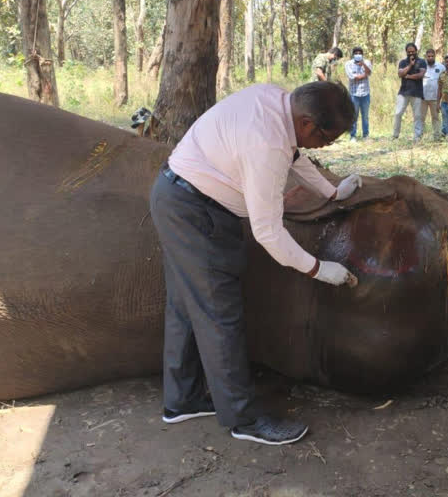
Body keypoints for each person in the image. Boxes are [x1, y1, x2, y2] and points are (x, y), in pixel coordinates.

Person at [150, 81, 363, 446]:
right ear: (309, 123)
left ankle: (182, 400)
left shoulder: (275, 101)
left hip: (178, 196)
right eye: (328, 138)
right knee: (220, 316)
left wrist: (331, 191)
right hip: (196, 212)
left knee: (187, 306)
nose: (328, 145)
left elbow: (297, 156)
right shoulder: (267, 145)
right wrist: (319, 268)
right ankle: (243, 419)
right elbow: (268, 232)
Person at [392, 43, 426, 141]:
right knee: (398, 114)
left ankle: (417, 137)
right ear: (406, 52)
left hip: (417, 92)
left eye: (413, 51)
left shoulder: (422, 61)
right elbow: (400, 74)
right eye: (409, 52)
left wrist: (408, 76)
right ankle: (395, 135)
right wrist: (410, 65)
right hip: (403, 92)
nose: (411, 53)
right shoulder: (403, 62)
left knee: (417, 116)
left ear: (416, 51)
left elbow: (421, 75)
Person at [344, 46, 372, 141]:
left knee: (365, 116)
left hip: (365, 93)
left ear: (362, 54)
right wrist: (365, 75)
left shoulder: (367, 62)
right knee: (353, 116)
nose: (358, 55)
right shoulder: (348, 64)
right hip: (353, 94)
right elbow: (352, 77)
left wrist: (363, 64)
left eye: (360, 53)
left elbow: (369, 72)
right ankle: (353, 135)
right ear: (353, 54)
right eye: (356, 53)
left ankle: (366, 135)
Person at [422, 49, 445, 140]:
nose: (430, 58)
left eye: (432, 56)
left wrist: (441, 97)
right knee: (420, 118)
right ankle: (419, 136)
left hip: (435, 98)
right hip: (422, 97)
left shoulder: (441, 67)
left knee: (435, 117)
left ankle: (437, 136)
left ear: (435, 56)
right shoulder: (422, 66)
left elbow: (443, 82)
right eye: (429, 56)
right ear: (426, 57)